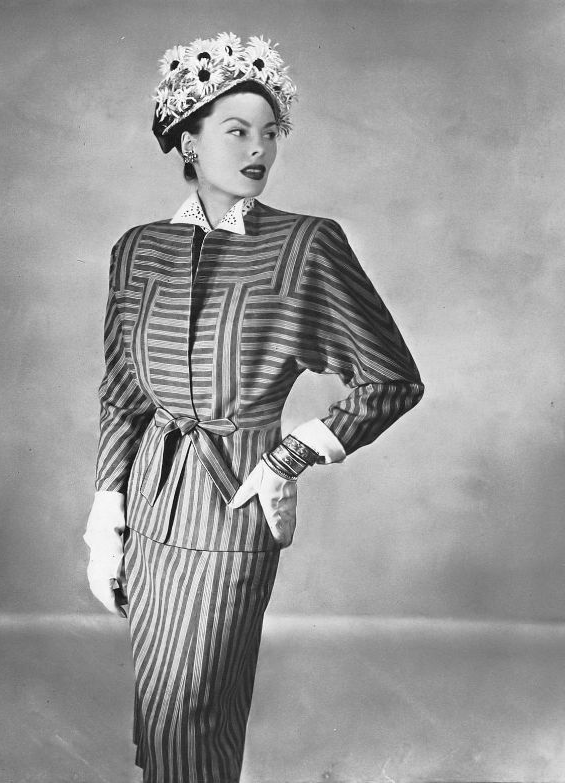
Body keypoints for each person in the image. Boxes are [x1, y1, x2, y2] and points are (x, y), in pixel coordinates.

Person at [83, 32, 424, 783]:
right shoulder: (136, 250)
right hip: (149, 496)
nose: (258, 148)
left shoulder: (306, 245)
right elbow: (122, 390)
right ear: (188, 139)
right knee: (163, 703)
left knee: (193, 701)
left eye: (270, 132)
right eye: (236, 130)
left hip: (234, 495)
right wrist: (106, 512)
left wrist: (288, 458)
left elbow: (391, 379)